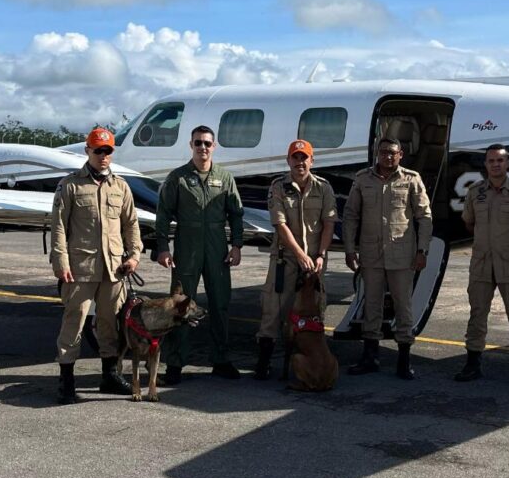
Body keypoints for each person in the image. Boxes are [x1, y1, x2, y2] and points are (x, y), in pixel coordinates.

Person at [51, 127, 142, 404]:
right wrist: (61, 262)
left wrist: (134, 255)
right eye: (98, 150)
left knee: (109, 323)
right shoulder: (70, 185)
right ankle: (67, 381)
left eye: (108, 151)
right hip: (80, 267)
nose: (103, 156)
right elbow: (58, 228)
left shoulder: (121, 186)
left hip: (113, 269)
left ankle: (109, 376)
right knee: (74, 322)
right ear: (87, 150)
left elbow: (131, 225)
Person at [155, 125, 244, 384]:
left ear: (214, 146)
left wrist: (236, 245)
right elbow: (163, 215)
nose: (202, 148)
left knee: (220, 304)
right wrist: (162, 247)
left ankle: (221, 360)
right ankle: (174, 364)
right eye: (198, 143)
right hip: (187, 247)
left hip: (217, 248)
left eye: (207, 143)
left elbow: (236, 214)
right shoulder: (178, 178)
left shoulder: (225, 178)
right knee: (180, 305)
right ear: (191, 146)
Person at [343, 137, 433, 379]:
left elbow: (424, 217)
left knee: (403, 306)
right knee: (371, 306)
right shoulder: (362, 179)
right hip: (371, 255)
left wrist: (422, 251)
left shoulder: (411, 179)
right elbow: (351, 215)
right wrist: (350, 249)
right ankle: (370, 357)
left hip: (402, 256)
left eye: (393, 153)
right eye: (383, 152)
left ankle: (404, 359)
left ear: (400, 155)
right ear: (376, 153)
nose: (388, 157)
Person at [455, 144, 509, 386]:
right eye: (491, 161)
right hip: (482, 262)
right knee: (477, 314)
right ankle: (473, 364)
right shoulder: (475, 192)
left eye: (500, 161)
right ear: (485, 164)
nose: (495, 164)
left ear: (507, 164)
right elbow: (469, 223)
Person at [254, 139, 337, 380]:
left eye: (304, 158)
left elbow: (329, 223)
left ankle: (311, 359)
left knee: (314, 310)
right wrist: (300, 255)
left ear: (312, 160)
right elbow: (280, 224)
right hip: (287, 258)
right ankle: (264, 362)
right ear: (288, 160)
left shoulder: (324, 188)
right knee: (274, 308)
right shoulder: (278, 187)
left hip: (315, 260)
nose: (300, 162)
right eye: (295, 157)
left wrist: (320, 255)